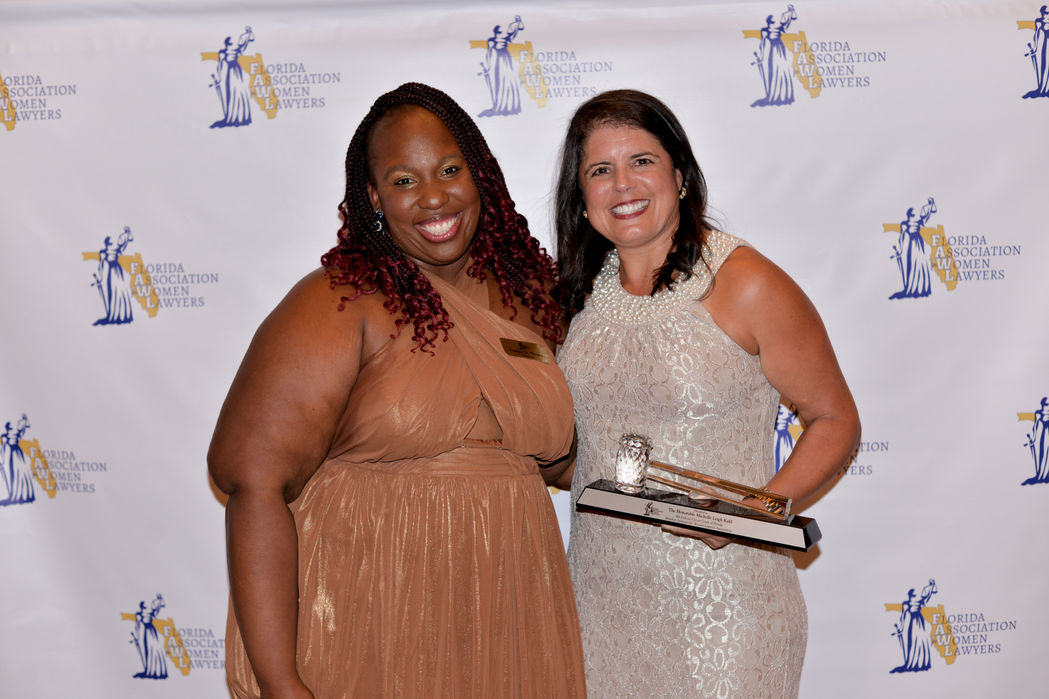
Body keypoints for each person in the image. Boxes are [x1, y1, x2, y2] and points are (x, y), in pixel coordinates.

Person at [208, 82, 585, 699]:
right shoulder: (338, 301)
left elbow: (569, 459)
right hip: (368, 616)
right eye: (404, 180)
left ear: (480, 176)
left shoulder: (535, 298)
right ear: (373, 197)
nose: (433, 197)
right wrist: (280, 681)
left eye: (448, 170)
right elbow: (253, 483)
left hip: (512, 613)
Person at [554, 89, 860, 697]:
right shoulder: (573, 298)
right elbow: (578, 451)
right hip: (601, 603)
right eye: (600, 171)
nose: (623, 185)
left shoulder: (744, 281)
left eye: (641, 161)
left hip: (725, 606)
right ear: (582, 199)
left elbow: (834, 419)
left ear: (681, 176)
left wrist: (754, 514)